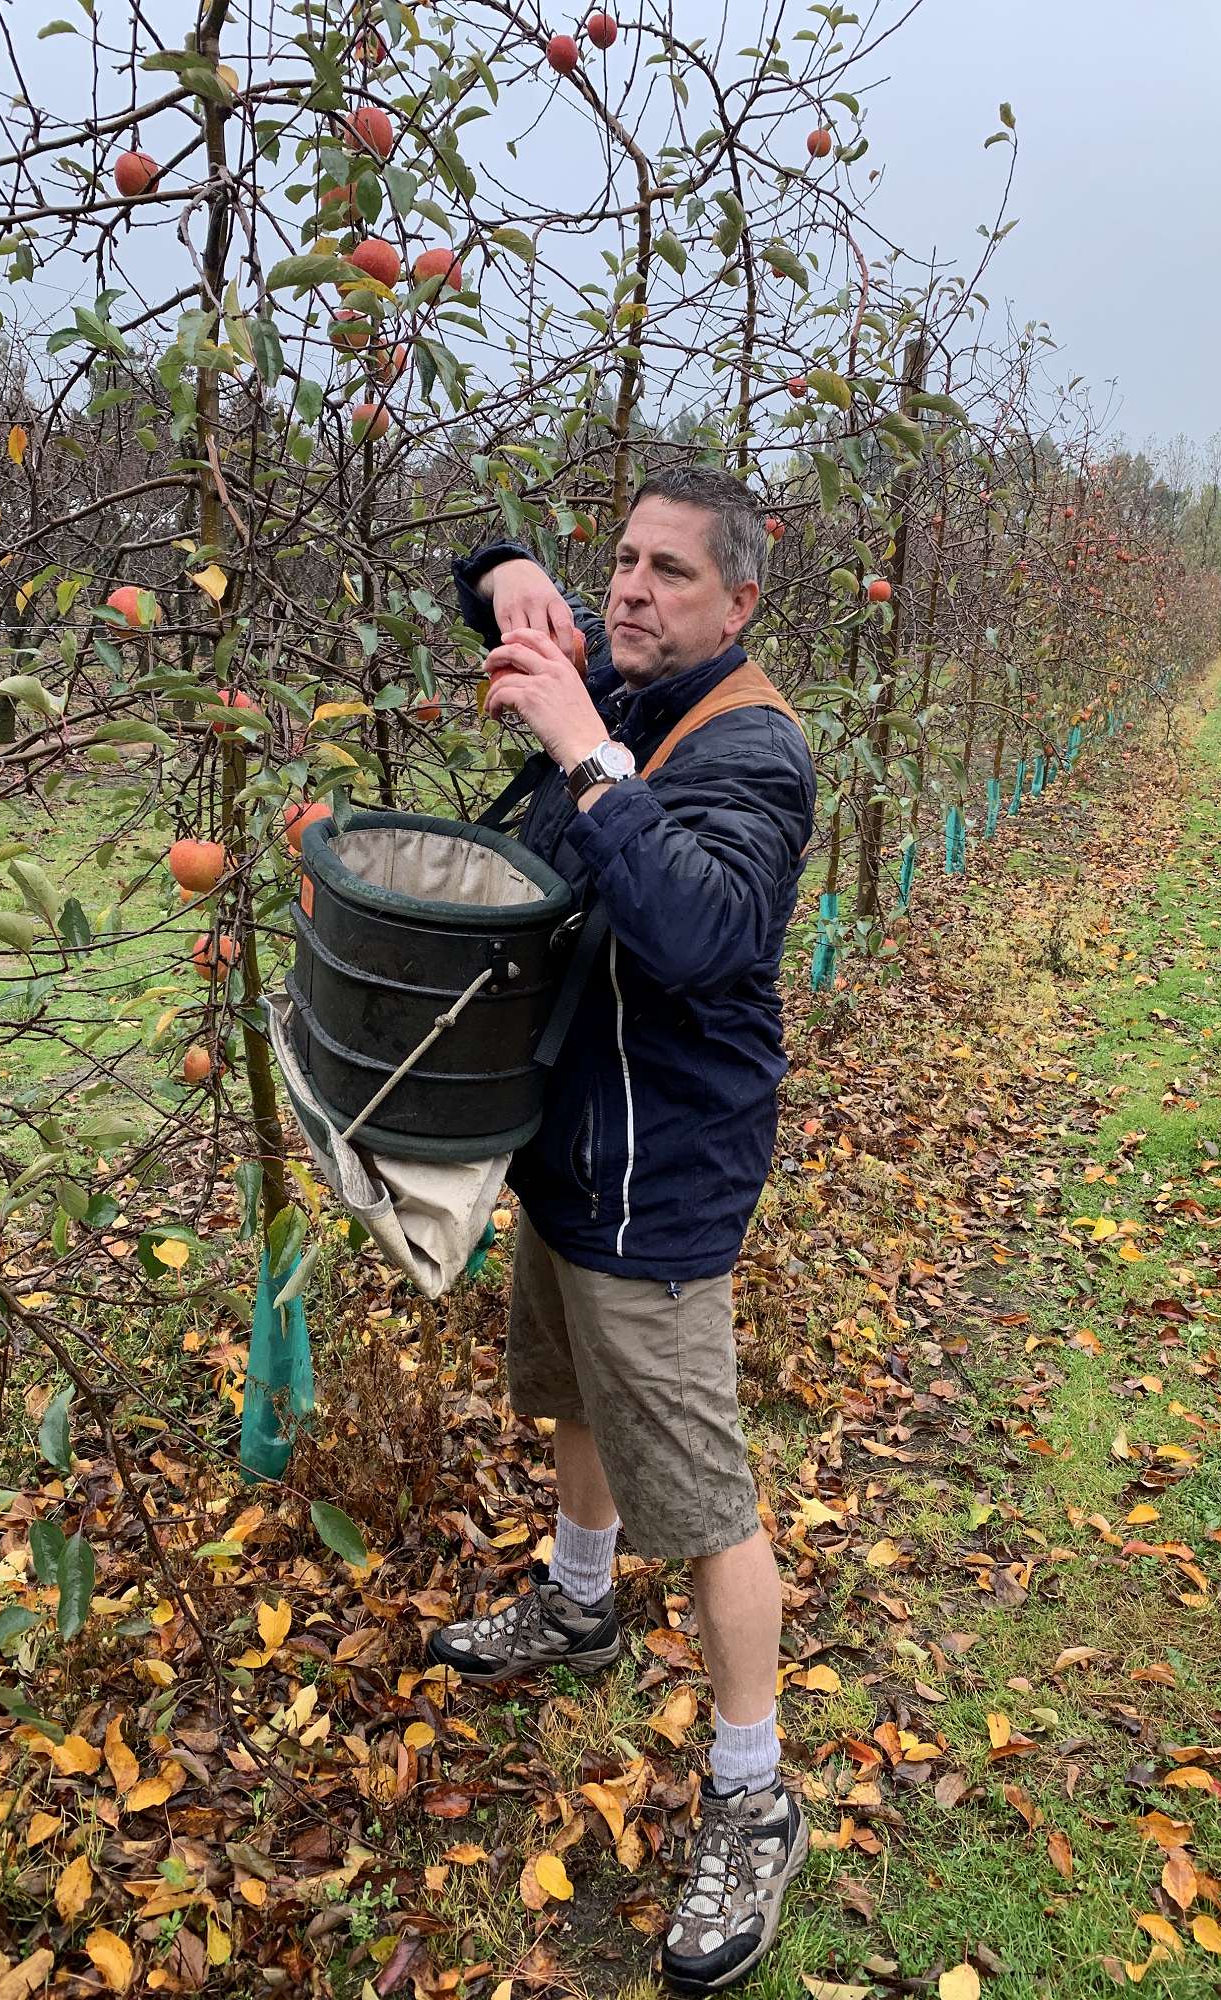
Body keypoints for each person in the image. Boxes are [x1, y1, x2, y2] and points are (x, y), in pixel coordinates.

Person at [427, 465, 816, 1994]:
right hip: (574, 1142)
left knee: (705, 1501)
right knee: (574, 1393)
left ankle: (753, 1792)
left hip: (663, 1177)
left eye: (671, 572)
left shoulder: (752, 749)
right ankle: (579, 1604)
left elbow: (701, 930)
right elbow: (483, 587)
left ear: (740, 600)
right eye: (624, 563)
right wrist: (508, 570)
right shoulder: (633, 681)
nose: (633, 590)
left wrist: (584, 749)